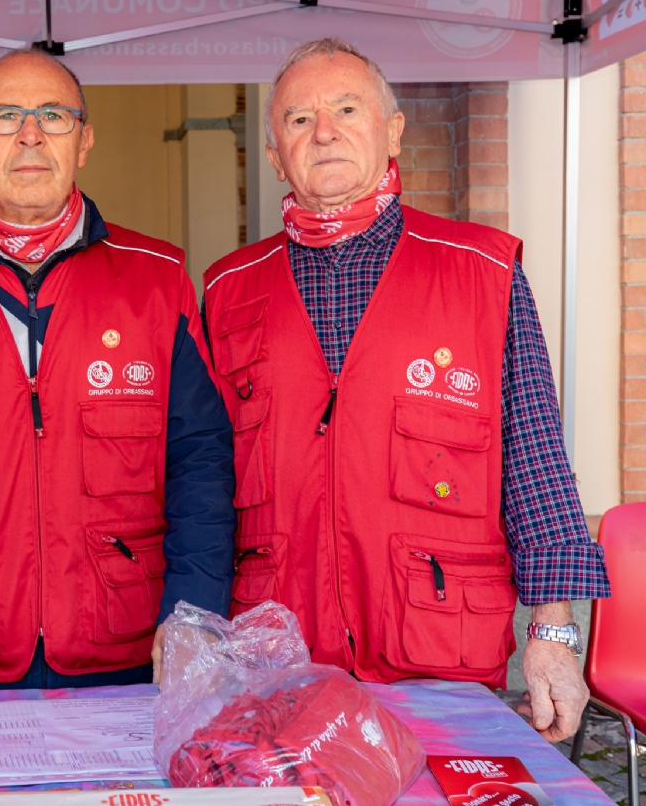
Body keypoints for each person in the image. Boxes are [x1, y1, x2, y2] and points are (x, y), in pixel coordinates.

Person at [202, 38, 610, 742]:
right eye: (298, 119)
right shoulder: (226, 289)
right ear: (275, 155)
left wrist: (555, 633)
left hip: (437, 656)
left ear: (392, 130)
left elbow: (534, 456)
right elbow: (200, 481)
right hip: (279, 661)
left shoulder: (484, 271)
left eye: (346, 108)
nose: (323, 131)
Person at [0, 48, 236, 688]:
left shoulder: (158, 279)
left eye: (54, 116)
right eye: (5, 116)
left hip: (122, 645)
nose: (30, 134)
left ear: (84, 140)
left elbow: (198, 460)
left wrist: (192, 617)